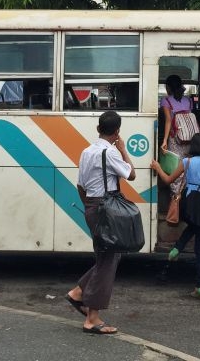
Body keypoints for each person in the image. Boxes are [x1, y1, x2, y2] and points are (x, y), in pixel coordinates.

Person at [66, 111, 136, 335]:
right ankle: (92, 318)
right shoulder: (112, 152)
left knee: (108, 256)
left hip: (93, 207)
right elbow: (131, 174)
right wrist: (123, 149)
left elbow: (81, 185)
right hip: (108, 210)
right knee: (108, 259)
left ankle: (78, 293)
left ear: (98, 129)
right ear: (116, 132)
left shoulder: (87, 152)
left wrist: (89, 207)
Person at [150, 132, 200, 298]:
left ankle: (177, 248)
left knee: (193, 226)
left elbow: (168, 180)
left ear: (192, 146)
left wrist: (158, 167)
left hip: (190, 204)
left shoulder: (186, 162)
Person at [160, 74, 193, 209]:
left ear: (168, 87)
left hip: (175, 139)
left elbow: (168, 121)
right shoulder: (188, 101)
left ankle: (175, 202)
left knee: (174, 169)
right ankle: (185, 199)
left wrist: (164, 140)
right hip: (189, 138)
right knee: (186, 168)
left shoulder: (166, 101)